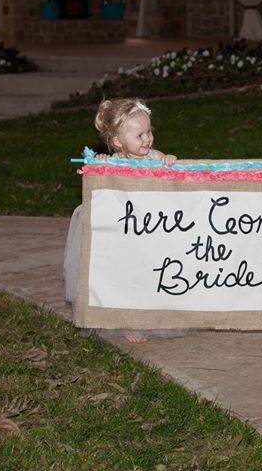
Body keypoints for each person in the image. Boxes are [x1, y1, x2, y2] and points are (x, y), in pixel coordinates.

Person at [63, 97, 176, 343]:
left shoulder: (155, 156)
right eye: (139, 135)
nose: (147, 139)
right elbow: (89, 178)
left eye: (149, 132)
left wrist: (169, 162)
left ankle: (150, 314)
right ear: (117, 141)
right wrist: (100, 167)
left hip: (148, 229)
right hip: (121, 233)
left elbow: (170, 173)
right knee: (124, 278)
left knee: (148, 274)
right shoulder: (113, 162)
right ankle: (128, 322)